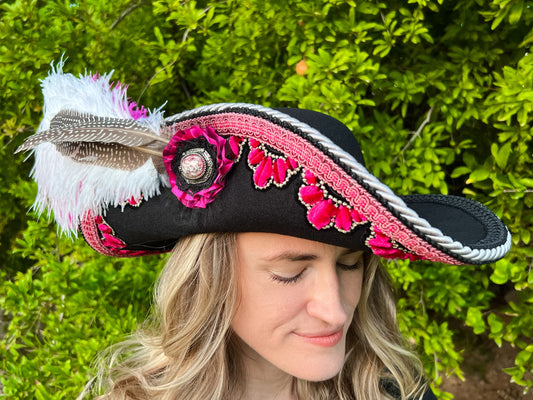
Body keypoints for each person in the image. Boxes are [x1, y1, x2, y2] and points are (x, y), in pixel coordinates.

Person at [17, 64, 511, 400]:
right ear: (207, 279)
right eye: (290, 273)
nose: (335, 309)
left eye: (349, 264)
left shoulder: (391, 390)